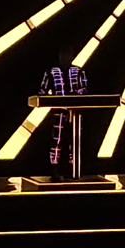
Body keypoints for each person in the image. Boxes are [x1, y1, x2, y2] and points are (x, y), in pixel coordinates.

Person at [37, 46, 89, 179]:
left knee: (74, 140)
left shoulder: (79, 71)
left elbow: (84, 90)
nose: (65, 59)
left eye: (67, 56)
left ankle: (72, 168)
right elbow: (42, 91)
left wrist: (75, 96)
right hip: (58, 111)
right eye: (63, 56)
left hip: (75, 112)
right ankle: (54, 169)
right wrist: (50, 97)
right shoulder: (51, 72)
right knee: (57, 139)